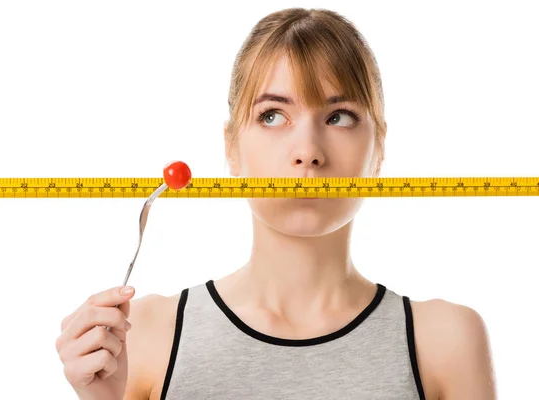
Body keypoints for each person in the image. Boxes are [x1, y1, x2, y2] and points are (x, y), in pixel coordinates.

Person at [55, 7, 496, 400]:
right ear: (231, 148)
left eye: (338, 117)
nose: (308, 151)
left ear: (378, 149)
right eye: (272, 116)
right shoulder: (142, 336)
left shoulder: (446, 342)